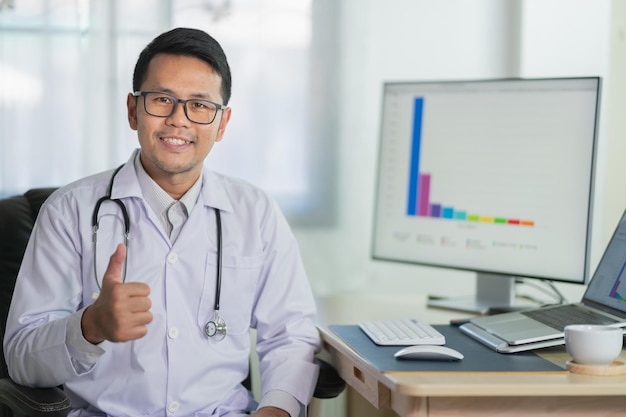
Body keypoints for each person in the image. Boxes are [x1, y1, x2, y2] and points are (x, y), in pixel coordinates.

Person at [3, 27, 320, 417]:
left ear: (222, 123)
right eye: (162, 99)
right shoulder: (68, 211)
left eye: (200, 105)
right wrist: (90, 326)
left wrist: (279, 408)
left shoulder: (256, 213)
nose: (178, 120)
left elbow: (292, 334)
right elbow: (21, 357)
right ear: (133, 110)